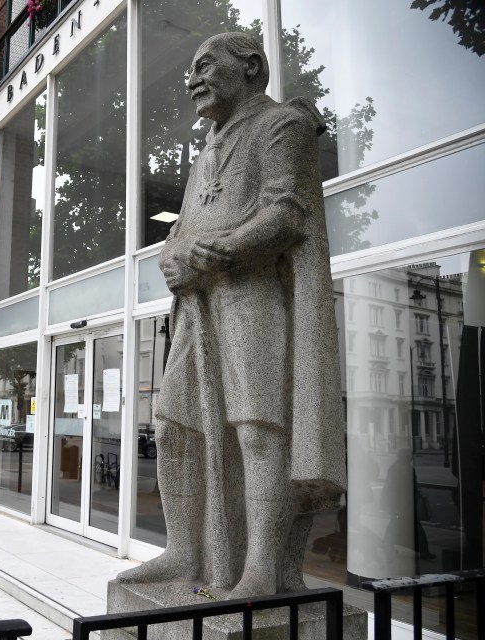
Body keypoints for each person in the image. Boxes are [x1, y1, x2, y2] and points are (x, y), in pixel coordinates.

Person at [116, 33, 345, 598]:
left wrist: (213, 256)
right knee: (174, 423)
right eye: (190, 70)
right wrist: (174, 256)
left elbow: (286, 214)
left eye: (204, 66)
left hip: (253, 298)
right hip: (197, 306)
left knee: (259, 430)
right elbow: (179, 231)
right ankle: (184, 551)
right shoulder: (206, 150)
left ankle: (263, 568)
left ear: (250, 67)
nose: (191, 79)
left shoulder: (281, 126)